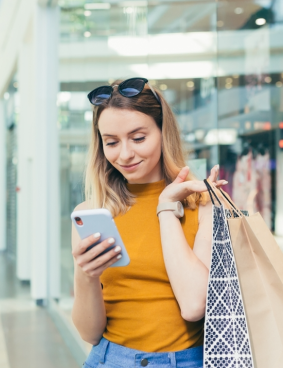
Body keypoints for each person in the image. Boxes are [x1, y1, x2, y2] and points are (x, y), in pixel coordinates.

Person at [71, 78, 228, 368]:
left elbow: (194, 306)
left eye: (138, 138)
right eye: (112, 142)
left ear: (162, 132)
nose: (125, 154)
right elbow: (89, 333)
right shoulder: (93, 212)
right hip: (108, 359)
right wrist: (86, 275)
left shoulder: (203, 203)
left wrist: (167, 207)